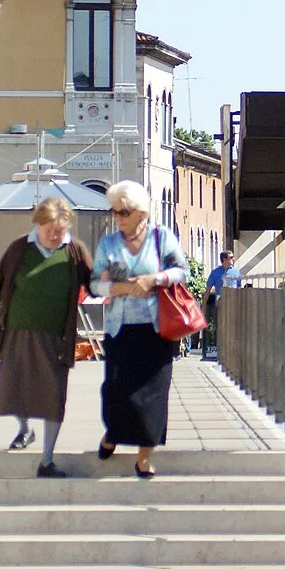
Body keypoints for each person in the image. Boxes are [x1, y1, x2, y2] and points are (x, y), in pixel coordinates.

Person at [0, 198, 94, 478]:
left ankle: (47, 460)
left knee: (53, 396)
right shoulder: (20, 248)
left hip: (56, 337)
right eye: (49, 231)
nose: (54, 236)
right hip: (18, 333)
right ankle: (24, 429)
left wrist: (113, 280)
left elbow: (93, 282)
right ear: (39, 225)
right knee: (14, 389)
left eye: (59, 231)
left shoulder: (74, 251)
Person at [91, 180, 190, 480]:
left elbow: (182, 270)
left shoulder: (162, 238)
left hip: (156, 328)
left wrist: (155, 279)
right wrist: (116, 286)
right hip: (120, 328)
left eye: (124, 212)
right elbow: (95, 283)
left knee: (154, 394)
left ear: (141, 213)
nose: (118, 218)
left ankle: (144, 457)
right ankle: (113, 434)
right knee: (117, 391)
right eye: (115, 212)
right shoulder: (108, 244)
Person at [204, 250, 238, 355]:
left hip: (233, 299)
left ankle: (232, 349)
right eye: (231, 257)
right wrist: (203, 306)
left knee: (233, 325)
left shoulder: (236, 272)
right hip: (220, 300)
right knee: (221, 325)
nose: (233, 259)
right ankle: (221, 349)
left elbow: (239, 287)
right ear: (224, 259)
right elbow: (208, 290)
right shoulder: (215, 273)